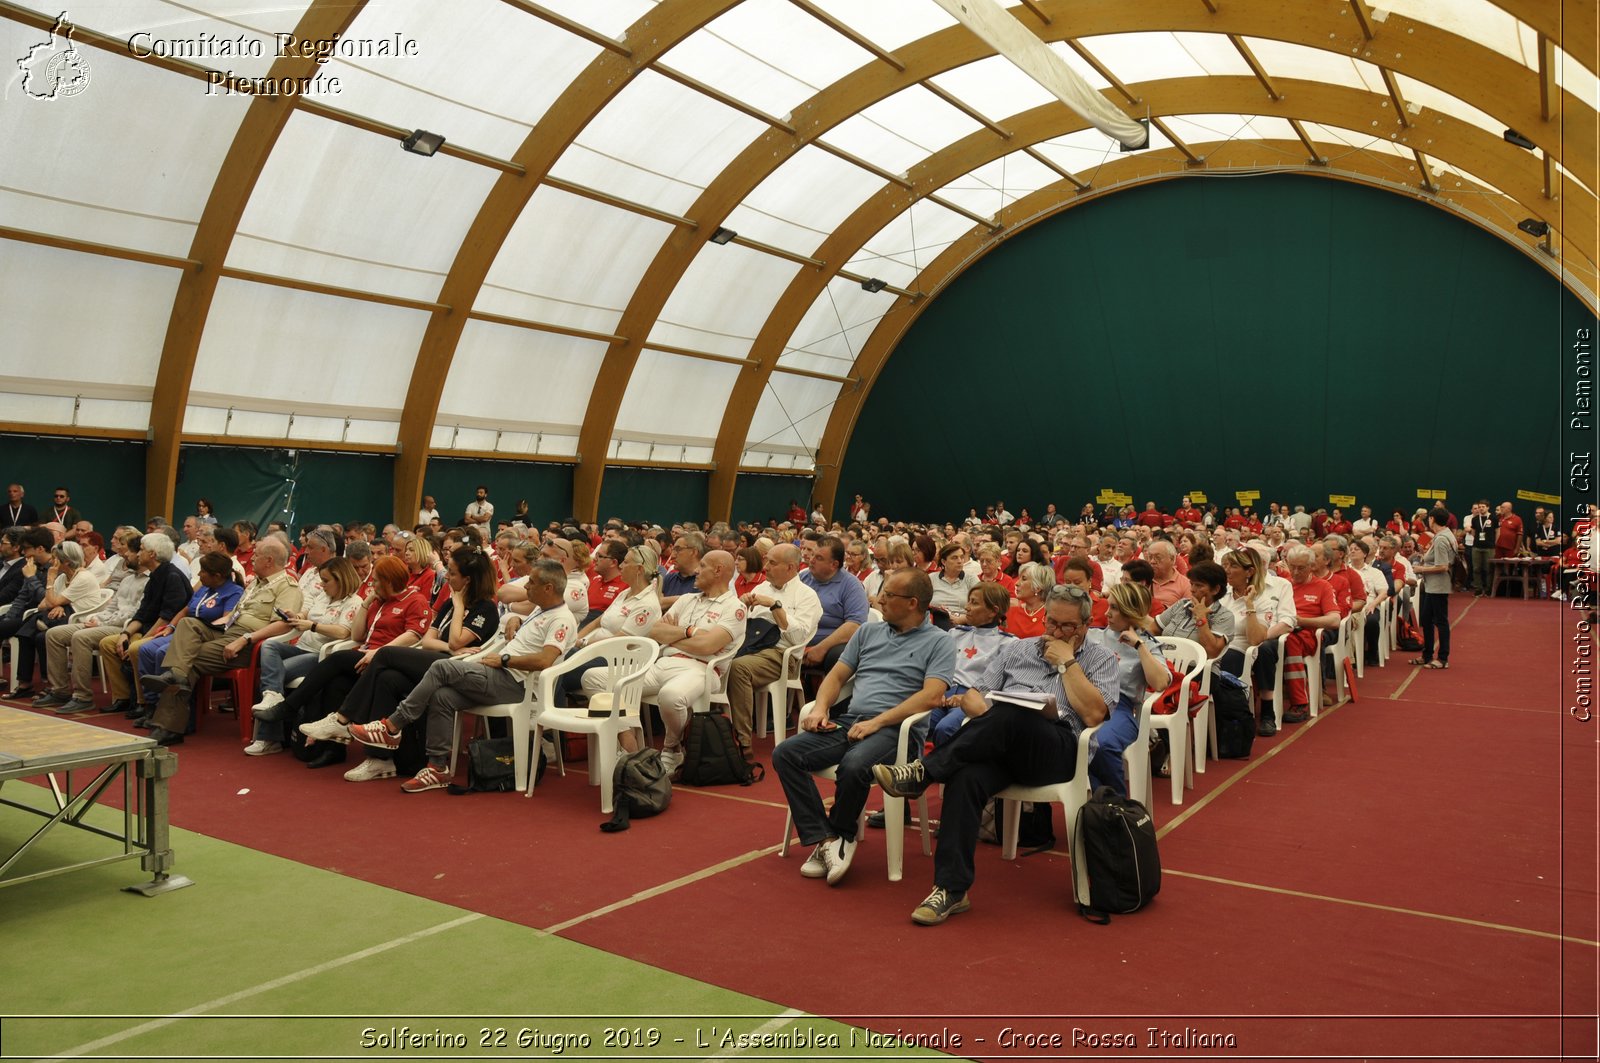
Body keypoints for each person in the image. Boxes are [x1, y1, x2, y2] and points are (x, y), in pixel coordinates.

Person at [872, 582, 1117, 925]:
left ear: (1085, 626)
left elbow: (1093, 715)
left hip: (1059, 752)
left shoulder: (1100, 657)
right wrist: (984, 711)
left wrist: (1067, 663)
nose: (1056, 632)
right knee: (967, 775)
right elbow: (978, 697)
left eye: (1067, 626)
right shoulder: (1019, 649)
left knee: (1016, 712)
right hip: (1003, 745)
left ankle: (922, 773)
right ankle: (950, 889)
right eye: (1051, 623)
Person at [774, 568, 954, 887]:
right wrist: (820, 707)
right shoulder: (868, 632)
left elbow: (932, 696)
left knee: (854, 765)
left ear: (913, 603)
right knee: (786, 754)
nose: (880, 599)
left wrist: (879, 722)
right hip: (851, 722)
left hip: (896, 732)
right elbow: (838, 676)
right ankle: (827, 839)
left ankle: (843, 834)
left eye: (888, 595)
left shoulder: (940, 642)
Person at [347, 559, 576, 793]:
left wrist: (505, 660)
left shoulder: (562, 619)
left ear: (548, 588)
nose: (525, 588)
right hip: (500, 676)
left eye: (532, 583)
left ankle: (392, 726)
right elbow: (519, 624)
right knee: (443, 696)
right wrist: (516, 619)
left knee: (441, 667)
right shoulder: (541, 609)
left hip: (518, 684)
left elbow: (545, 660)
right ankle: (437, 768)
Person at [583, 549, 746, 775]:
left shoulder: (735, 607)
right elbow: (656, 631)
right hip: (662, 663)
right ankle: (628, 742)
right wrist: (690, 632)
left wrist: (676, 636)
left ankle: (672, 749)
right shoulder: (687, 600)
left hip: (702, 670)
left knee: (671, 696)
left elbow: (708, 647)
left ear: (718, 571)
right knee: (593, 678)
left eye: (704, 566)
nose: (697, 571)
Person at [242, 556, 365, 756]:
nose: (322, 585)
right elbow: (306, 614)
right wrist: (296, 616)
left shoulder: (354, 602)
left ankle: (268, 738)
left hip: (322, 655)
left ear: (340, 579)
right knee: (269, 646)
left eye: (326, 581)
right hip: (302, 646)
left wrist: (313, 626)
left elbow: (344, 633)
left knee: (274, 674)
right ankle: (272, 696)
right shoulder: (324, 596)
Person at [725, 544, 822, 755]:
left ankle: (741, 743)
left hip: (782, 655)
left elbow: (799, 638)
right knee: (711, 661)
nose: (765, 567)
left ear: (791, 567)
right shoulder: (761, 588)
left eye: (772, 563)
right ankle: (707, 735)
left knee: (738, 668)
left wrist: (775, 606)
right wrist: (740, 607)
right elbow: (740, 626)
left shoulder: (807, 596)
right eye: (766, 561)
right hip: (750, 647)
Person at [1084, 582, 1169, 794]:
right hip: (1082, 701)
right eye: (1108, 606)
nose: (1107, 612)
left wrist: (1139, 646)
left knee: (1101, 744)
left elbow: (1160, 683)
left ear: (1131, 612)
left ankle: (1114, 805)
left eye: (1114, 608)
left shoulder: (1147, 644)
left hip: (1119, 708)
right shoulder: (1093, 636)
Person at [1221, 547, 1295, 735]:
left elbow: (1288, 620)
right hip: (1232, 642)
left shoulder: (1280, 585)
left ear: (1253, 568)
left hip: (1269, 634)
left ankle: (1267, 710)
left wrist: (1264, 635)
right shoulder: (1223, 593)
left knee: (1265, 649)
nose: (1227, 570)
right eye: (1226, 565)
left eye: (1233, 565)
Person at [1412, 508, 1459, 669]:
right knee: (1426, 619)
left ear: (1431, 519)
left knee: (1441, 621)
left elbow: (1443, 566)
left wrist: (1421, 569)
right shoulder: (1445, 535)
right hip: (1433, 585)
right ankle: (1427, 654)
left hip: (1439, 586)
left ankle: (1443, 657)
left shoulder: (1441, 539)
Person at [1004, 561, 1053, 638]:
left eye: (1023, 579)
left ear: (1037, 588)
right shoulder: (1010, 611)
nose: (1016, 583)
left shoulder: (1051, 616)